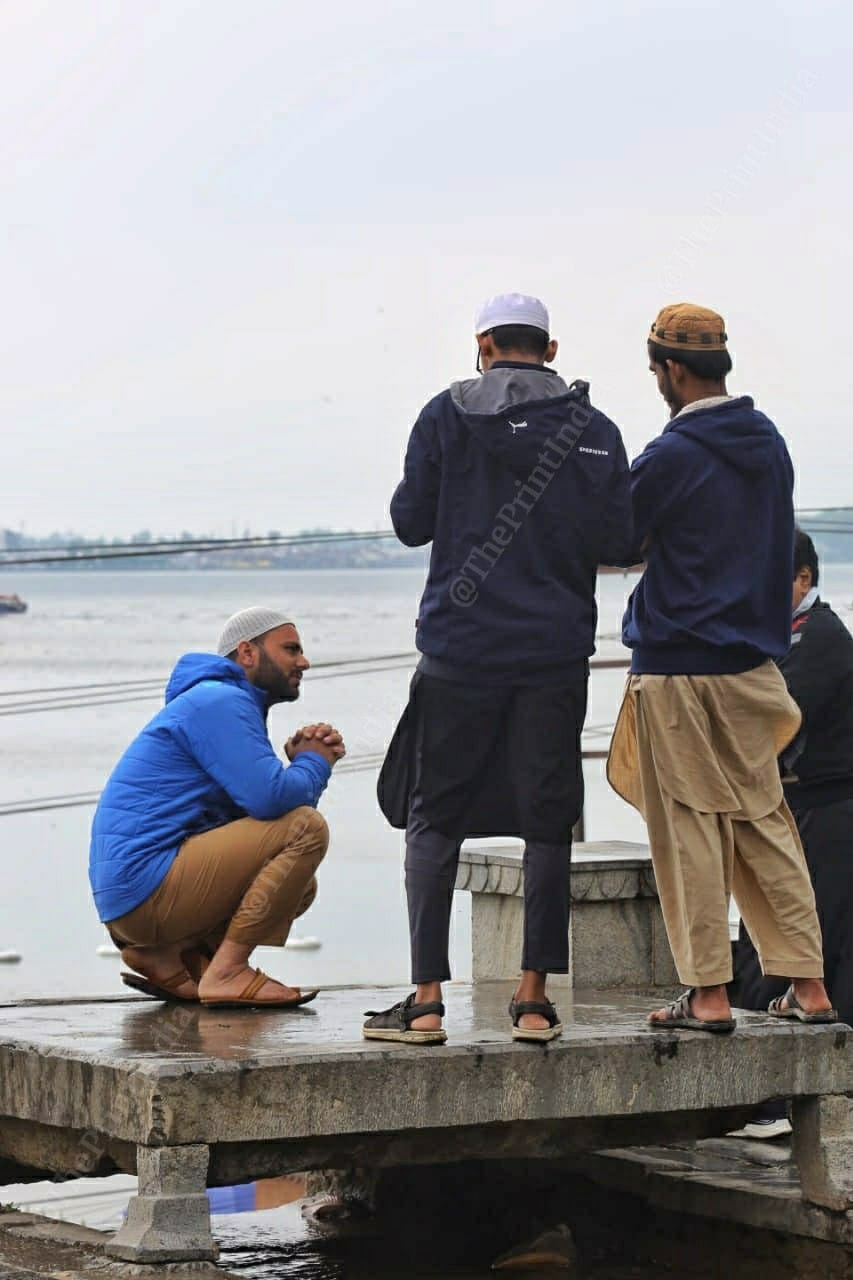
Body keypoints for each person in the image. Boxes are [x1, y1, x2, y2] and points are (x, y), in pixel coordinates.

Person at [366, 292, 635, 1045]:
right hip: (553, 656)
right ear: (549, 350)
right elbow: (619, 536)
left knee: (433, 818)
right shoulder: (595, 429)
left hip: (459, 650)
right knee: (547, 824)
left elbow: (409, 522)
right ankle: (533, 1001)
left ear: (482, 343)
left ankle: (423, 1002)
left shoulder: (443, 415)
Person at [607, 302, 835, 1032]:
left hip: (677, 666)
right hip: (753, 669)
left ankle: (707, 994)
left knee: (688, 831)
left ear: (670, 369)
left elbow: (613, 540)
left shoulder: (670, 454)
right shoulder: (768, 445)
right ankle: (808, 986)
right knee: (765, 825)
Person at [89, 606, 345, 1008]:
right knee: (307, 829)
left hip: (132, 898)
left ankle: (175, 956)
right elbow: (273, 802)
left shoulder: (219, 702)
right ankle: (227, 972)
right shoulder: (220, 701)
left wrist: (304, 768)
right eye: (291, 649)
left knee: (299, 887)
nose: (303, 661)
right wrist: (313, 762)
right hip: (146, 887)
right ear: (247, 652)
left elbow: (262, 815)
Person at [730, 530, 853, 1134]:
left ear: (802, 579)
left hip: (831, 809)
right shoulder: (775, 638)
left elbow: (776, 718)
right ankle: (767, 1092)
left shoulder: (823, 638)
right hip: (791, 807)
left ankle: (787, 1101)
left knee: (811, 943)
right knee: (776, 938)